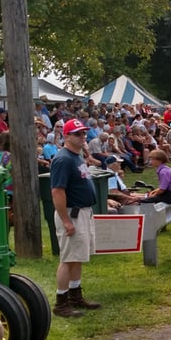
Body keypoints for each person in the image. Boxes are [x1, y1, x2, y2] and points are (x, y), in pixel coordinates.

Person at [49, 118, 100, 318]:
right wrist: (66, 221)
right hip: (72, 212)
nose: (82, 137)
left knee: (77, 256)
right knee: (68, 258)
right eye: (77, 134)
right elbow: (57, 191)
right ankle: (61, 302)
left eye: (83, 133)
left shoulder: (76, 156)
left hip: (83, 211)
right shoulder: (63, 159)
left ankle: (75, 295)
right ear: (67, 136)